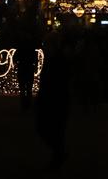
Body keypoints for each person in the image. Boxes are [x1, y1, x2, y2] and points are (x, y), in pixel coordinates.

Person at [35, 31, 69, 170]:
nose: (44, 47)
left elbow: (58, 81)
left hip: (56, 100)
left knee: (51, 129)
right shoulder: (52, 58)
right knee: (50, 129)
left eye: (46, 44)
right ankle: (58, 156)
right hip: (52, 99)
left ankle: (58, 156)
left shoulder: (58, 59)